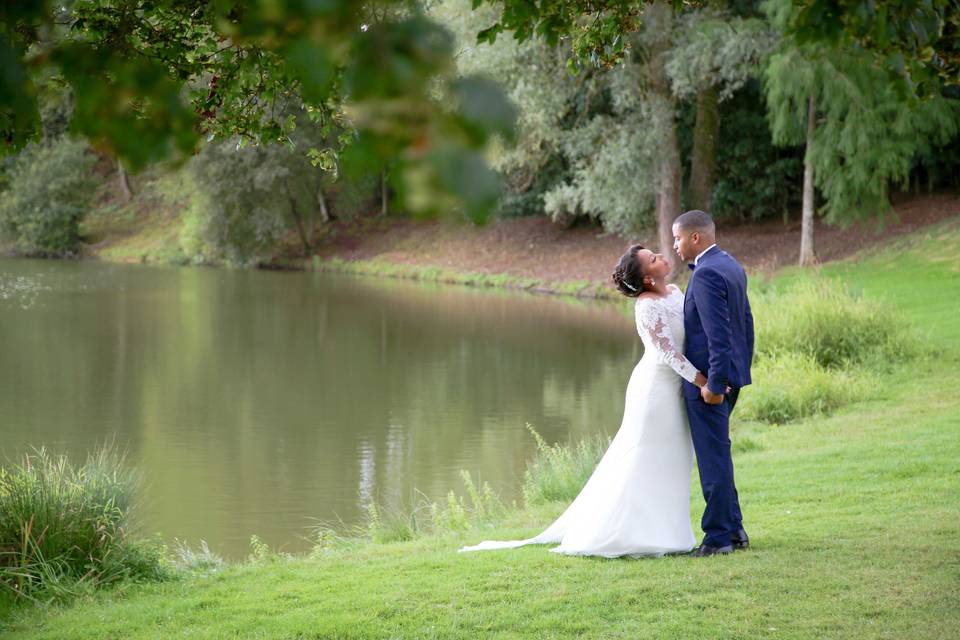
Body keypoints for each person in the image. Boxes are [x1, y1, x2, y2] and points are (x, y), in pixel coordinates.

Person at [459, 245, 708, 557]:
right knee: (645, 455)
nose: (660, 256)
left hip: (676, 389)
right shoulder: (646, 306)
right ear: (646, 278)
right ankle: (625, 532)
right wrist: (702, 381)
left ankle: (669, 531)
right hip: (655, 389)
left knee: (674, 456)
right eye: (653, 259)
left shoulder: (674, 291)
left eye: (656, 253)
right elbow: (668, 352)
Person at [672, 209, 755, 557]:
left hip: (710, 385)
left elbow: (718, 336)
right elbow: (747, 326)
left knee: (712, 460)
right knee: (719, 454)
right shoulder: (730, 264)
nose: (674, 246)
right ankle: (734, 530)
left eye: (677, 238)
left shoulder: (706, 274)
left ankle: (718, 537)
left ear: (695, 237)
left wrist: (715, 386)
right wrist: (737, 375)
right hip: (730, 377)